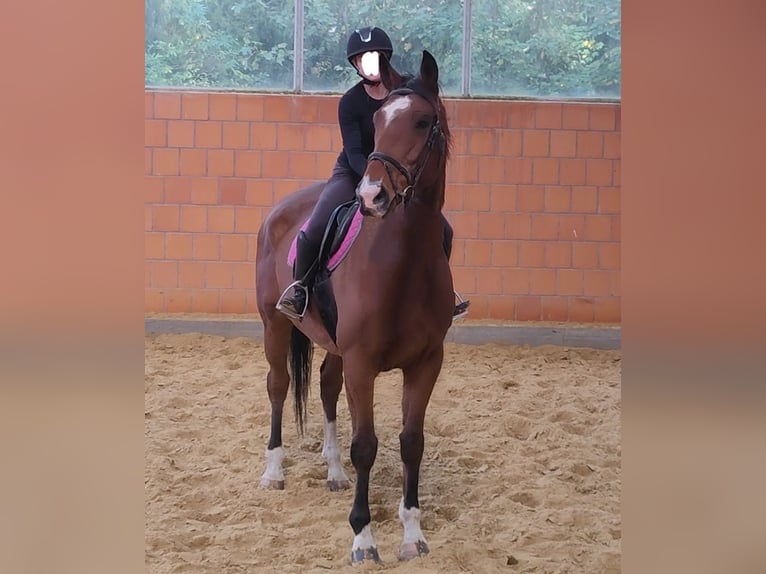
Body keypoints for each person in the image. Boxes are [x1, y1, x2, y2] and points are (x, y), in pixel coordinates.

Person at [277, 26, 470, 321]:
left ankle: (442, 293)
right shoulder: (351, 103)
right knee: (316, 225)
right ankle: (299, 290)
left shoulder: (404, 93)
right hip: (355, 172)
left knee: (443, 229)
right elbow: (354, 151)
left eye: (375, 57)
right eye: (362, 59)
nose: (368, 63)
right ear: (355, 65)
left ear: (385, 60)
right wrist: (372, 178)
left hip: (398, 176)